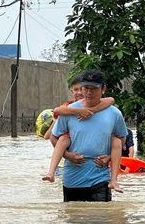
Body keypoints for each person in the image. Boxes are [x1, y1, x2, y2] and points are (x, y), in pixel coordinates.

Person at [51, 69, 128, 202]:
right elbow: (54, 138)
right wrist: (67, 155)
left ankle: (113, 181)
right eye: (86, 88)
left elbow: (121, 138)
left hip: (100, 178)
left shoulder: (114, 113)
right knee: (72, 220)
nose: (89, 92)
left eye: (94, 89)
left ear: (103, 89)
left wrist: (109, 157)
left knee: (101, 218)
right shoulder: (69, 112)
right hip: (72, 179)